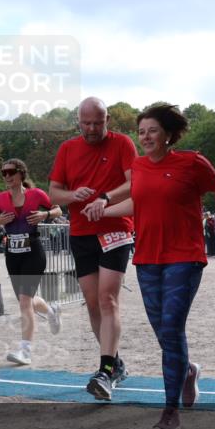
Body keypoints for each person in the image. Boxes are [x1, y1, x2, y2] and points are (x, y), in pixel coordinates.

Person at [98, 104, 215, 429]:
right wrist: (103, 211)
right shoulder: (139, 166)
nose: (145, 137)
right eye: (141, 131)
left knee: (172, 327)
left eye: (152, 130)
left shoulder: (191, 162)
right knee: (163, 331)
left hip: (184, 257)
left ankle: (170, 411)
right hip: (146, 259)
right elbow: (139, 201)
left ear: (168, 134)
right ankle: (186, 371)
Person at [51, 96, 137, 400]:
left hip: (115, 229)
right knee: (91, 302)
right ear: (78, 121)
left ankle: (104, 371)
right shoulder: (67, 149)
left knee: (107, 299)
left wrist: (105, 197)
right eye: (86, 123)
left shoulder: (123, 144)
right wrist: (75, 195)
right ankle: (116, 362)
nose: (91, 129)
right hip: (82, 233)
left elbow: (134, 183)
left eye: (97, 123)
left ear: (107, 120)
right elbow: (54, 194)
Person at [0, 158, 64, 365]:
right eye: (3, 172)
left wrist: (45, 214)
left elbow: (58, 210)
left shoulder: (36, 194)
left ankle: (26, 351)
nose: (6, 176)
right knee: (27, 301)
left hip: (33, 252)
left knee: (24, 302)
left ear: (21, 173)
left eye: (10, 172)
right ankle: (51, 311)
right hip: (12, 254)